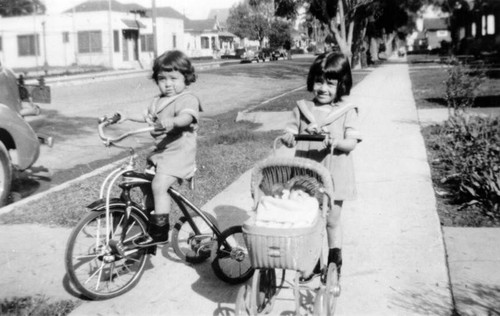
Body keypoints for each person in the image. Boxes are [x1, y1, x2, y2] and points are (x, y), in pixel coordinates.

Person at [281, 52, 362, 281]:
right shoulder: (302, 108)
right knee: (309, 219)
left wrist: (336, 142)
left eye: (330, 83)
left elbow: (352, 142)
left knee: (331, 220)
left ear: (341, 84)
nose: (323, 88)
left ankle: (334, 262)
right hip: (307, 173)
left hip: (335, 174)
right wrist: (289, 136)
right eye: (319, 81)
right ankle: (312, 263)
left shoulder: (347, 111)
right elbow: (289, 130)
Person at [117, 50, 202, 247]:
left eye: (174, 78)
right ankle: (150, 219)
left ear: (186, 78)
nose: (168, 84)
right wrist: (126, 115)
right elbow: (146, 115)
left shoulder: (187, 99)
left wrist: (173, 121)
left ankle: (160, 232)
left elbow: (187, 117)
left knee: (159, 185)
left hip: (180, 153)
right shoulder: (157, 100)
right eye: (162, 79)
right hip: (161, 153)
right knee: (146, 186)